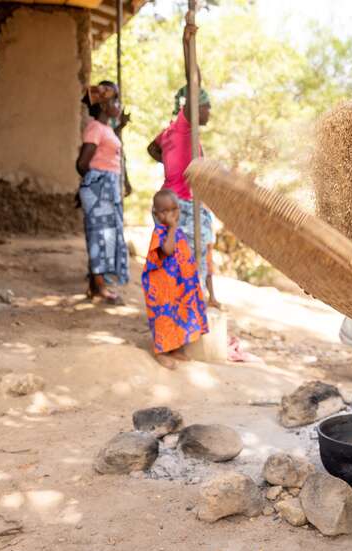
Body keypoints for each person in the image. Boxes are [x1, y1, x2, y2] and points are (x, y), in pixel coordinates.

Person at [147, 85, 218, 308]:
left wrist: (172, 164)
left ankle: (187, 309)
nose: (209, 112)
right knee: (187, 264)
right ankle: (185, 316)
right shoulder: (183, 127)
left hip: (178, 202)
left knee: (183, 262)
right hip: (181, 206)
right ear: (194, 108)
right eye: (207, 107)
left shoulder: (172, 133)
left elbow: (152, 148)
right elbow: (192, 85)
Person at [141, 190, 209, 369]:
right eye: (164, 211)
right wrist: (171, 227)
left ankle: (175, 348)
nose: (170, 215)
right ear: (156, 214)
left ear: (179, 209)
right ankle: (161, 351)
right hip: (162, 287)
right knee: (164, 317)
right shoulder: (161, 232)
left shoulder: (177, 232)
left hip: (177, 286)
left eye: (174, 210)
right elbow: (168, 250)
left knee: (178, 315)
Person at [75, 80, 129, 305]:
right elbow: (83, 163)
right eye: (115, 100)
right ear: (104, 105)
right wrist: (94, 187)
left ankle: (96, 285)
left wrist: (120, 127)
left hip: (107, 188)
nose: (119, 104)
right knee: (101, 236)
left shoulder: (105, 129)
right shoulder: (95, 128)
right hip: (101, 190)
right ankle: (100, 287)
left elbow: (106, 152)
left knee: (106, 235)